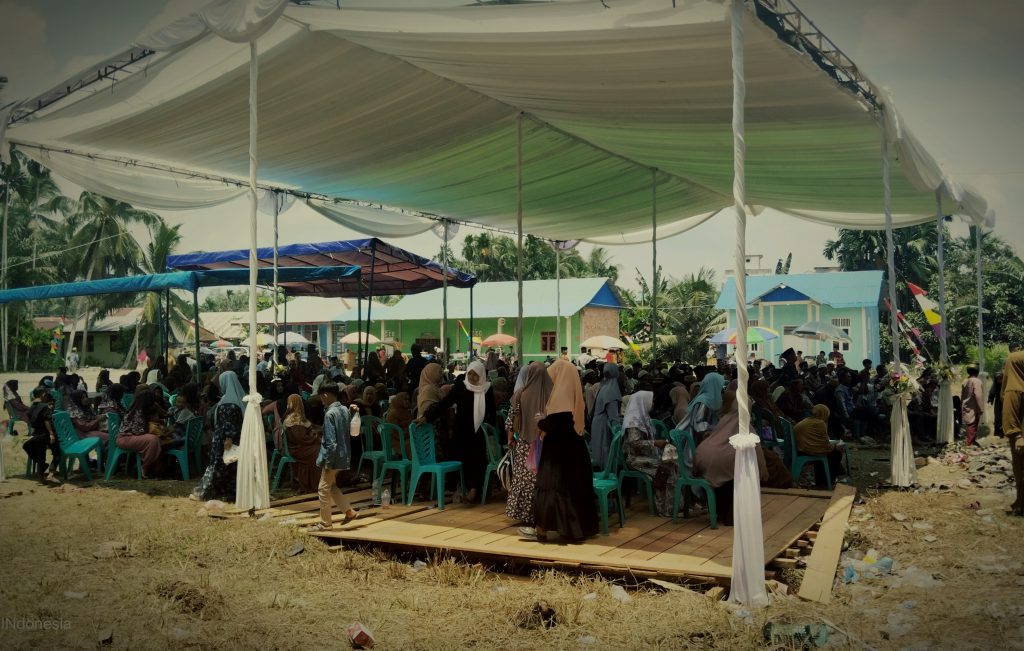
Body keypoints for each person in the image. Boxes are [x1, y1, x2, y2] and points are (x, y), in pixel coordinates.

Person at [525, 359, 597, 542]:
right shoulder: (574, 394)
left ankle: (541, 530)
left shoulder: (559, 398)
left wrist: (541, 421)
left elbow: (553, 424)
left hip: (557, 454)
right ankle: (574, 530)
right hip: (576, 452)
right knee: (574, 490)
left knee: (552, 487)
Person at [432, 359, 495, 502]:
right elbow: (445, 403)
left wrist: (490, 429)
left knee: (477, 458)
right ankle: (466, 489)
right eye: (470, 373)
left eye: (475, 374)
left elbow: (491, 412)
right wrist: (426, 416)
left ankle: (474, 490)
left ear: (481, 375)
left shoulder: (487, 389)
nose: (472, 377)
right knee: (461, 457)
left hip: (479, 431)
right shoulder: (461, 387)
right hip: (461, 431)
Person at [505, 362, 553, 526]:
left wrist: (510, 438)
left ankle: (524, 514)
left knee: (523, 479)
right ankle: (544, 514)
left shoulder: (520, 394)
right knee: (542, 479)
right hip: (546, 446)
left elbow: (511, 421)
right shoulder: (552, 396)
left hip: (525, 445)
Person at [309, 383, 359, 531]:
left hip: (333, 457)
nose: (321, 400)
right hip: (344, 455)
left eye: (321, 397)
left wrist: (328, 462)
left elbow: (331, 443)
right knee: (331, 486)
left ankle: (325, 523)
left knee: (322, 489)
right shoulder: (344, 409)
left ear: (325, 395)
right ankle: (349, 511)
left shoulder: (330, 414)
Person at [191, 371, 246, 500]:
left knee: (217, 466)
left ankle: (205, 492)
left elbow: (228, 424)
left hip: (224, 441)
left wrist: (228, 439)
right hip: (236, 440)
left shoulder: (227, 403)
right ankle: (230, 492)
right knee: (231, 467)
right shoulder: (239, 400)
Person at [620, 390, 672, 515]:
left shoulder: (643, 417)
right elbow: (634, 443)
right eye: (651, 400)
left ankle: (672, 505)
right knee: (663, 467)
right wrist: (655, 443)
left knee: (671, 462)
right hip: (634, 459)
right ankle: (664, 509)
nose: (652, 403)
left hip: (643, 455)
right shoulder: (633, 422)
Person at [794, 404, 847, 487]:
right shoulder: (819, 423)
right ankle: (830, 480)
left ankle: (823, 481)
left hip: (801, 449)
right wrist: (836, 447)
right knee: (835, 453)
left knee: (830, 453)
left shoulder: (806, 420)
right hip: (807, 450)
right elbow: (825, 446)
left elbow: (819, 443)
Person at [116, 392, 165, 478]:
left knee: (156, 440)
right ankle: (145, 467)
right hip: (125, 438)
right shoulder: (138, 413)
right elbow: (139, 432)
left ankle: (153, 468)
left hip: (131, 437)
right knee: (153, 440)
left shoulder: (139, 411)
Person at [279, 394, 321, 493]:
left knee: (321, 448)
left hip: (300, 446)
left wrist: (316, 433)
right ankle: (314, 484)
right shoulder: (293, 419)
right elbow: (300, 438)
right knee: (318, 451)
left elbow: (308, 428)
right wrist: (315, 437)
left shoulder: (297, 417)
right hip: (295, 448)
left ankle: (319, 482)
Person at [1000, 351, 1024, 516]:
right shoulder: (1015, 389)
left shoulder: (1016, 386)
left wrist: (1017, 436)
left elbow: (1010, 412)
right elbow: (1009, 413)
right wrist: (1017, 436)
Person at [23, 388, 61, 484]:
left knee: (40, 455)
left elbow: (30, 421)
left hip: (37, 435)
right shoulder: (44, 406)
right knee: (57, 453)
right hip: (45, 434)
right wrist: (51, 434)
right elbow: (46, 421)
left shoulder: (31, 407)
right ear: (43, 394)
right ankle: (51, 474)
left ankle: (41, 476)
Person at [589, 364, 622, 468]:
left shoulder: (604, 386)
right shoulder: (611, 389)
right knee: (605, 450)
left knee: (599, 450)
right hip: (603, 423)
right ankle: (606, 471)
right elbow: (613, 416)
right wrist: (619, 429)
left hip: (597, 421)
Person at [679, 372, 725, 444]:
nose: (722, 387)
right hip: (692, 439)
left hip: (704, 436)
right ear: (715, 385)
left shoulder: (712, 399)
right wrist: (715, 427)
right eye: (720, 384)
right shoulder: (703, 401)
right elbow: (698, 425)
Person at [961, 366, 985, 445]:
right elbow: (978, 395)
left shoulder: (965, 380)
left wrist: (962, 403)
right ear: (977, 372)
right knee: (973, 424)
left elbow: (962, 394)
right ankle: (970, 443)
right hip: (974, 405)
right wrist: (981, 407)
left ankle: (971, 441)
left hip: (966, 404)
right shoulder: (977, 381)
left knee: (969, 424)